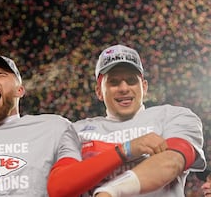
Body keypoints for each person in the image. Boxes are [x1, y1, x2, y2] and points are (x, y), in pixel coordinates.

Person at [0, 53, 162, 197]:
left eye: (1, 74)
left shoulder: (53, 128)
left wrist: (126, 151)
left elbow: (71, 184)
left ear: (20, 90)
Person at [72, 44, 206, 197]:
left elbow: (173, 161)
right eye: (114, 82)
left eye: (131, 80)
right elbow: (62, 182)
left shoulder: (173, 116)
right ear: (99, 92)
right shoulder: (76, 131)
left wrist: (110, 192)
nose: (124, 88)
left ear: (144, 87)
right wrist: (129, 149)